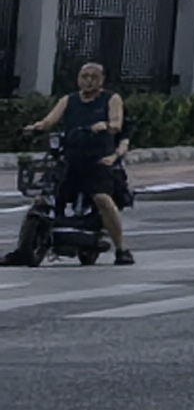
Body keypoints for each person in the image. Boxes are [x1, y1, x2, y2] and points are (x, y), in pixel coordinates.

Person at [24, 63, 131, 264]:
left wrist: (106, 126)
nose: (88, 80)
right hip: (71, 157)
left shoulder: (111, 99)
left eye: (93, 76)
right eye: (84, 76)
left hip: (98, 159)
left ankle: (121, 249)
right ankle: (45, 234)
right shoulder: (69, 100)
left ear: (102, 80)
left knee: (102, 198)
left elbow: (117, 123)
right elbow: (49, 121)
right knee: (49, 192)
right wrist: (36, 128)